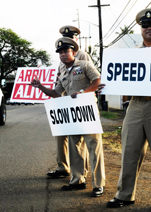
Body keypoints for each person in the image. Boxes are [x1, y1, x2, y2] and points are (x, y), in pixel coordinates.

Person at [99, 8, 151, 212]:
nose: (149, 28)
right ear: (140, 29)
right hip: (135, 104)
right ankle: (124, 194)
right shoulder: (130, 54)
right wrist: (106, 84)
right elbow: (117, 78)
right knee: (129, 150)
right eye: (145, 26)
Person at [31, 37, 105, 197]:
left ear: (73, 52)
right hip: (73, 115)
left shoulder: (84, 65)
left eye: (66, 51)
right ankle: (77, 181)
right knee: (75, 148)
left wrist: (83, 93)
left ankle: (98, 184)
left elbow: (97, 80)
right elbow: (56, 93)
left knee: (94, 147)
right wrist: (40, 86)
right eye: (60, 52)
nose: (63, 54)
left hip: (87, 112)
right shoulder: (63, 72)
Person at [47, 25, 91, 179]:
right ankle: (62, 167)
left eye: (72, 37)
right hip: (64, 101)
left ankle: (81, 172)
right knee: (61, 136)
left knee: (79, 140)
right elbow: (60, 80)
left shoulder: (83, 56)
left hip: (79, 103)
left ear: (76, 39)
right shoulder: (62, 57)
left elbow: (89, 78)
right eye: (66, 37)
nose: (69, 40)